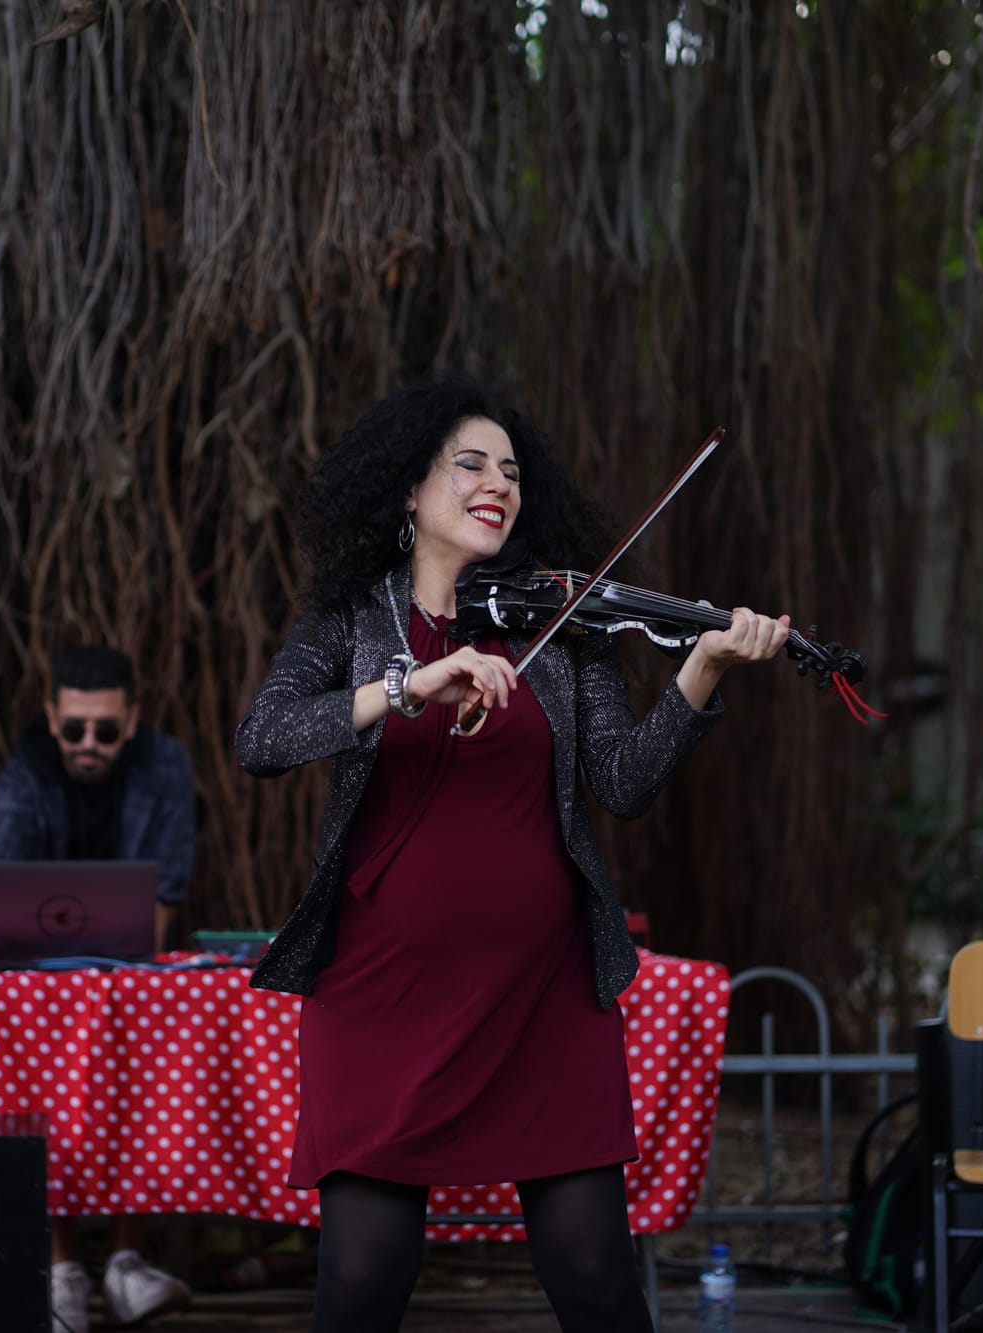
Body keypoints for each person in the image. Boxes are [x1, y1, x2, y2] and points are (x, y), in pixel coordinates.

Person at [234, 374, 789, 1333]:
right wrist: (409, 684)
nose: (500, 484)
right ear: (410, 489)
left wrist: (700, 671)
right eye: (472, 465)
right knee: (363, 1280)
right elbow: (265, 737)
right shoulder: (357, 623)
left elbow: (622, 781)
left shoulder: (559, 630)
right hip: (383, 999)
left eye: (513, 471)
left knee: (595, 1277)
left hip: (544, 998)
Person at [0, 644, 196, 1331]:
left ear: (131, 721)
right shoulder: (25, 769)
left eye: (104, 729)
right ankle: (65, 1265)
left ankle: (128, 1262)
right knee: (41, 1076)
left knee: (156, 1066)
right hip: (42, 988)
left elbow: (165, 895)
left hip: (136, 977)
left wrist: (120, 958)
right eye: (73, 729)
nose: (88, 744)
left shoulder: (166, 764)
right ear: (52, 717)